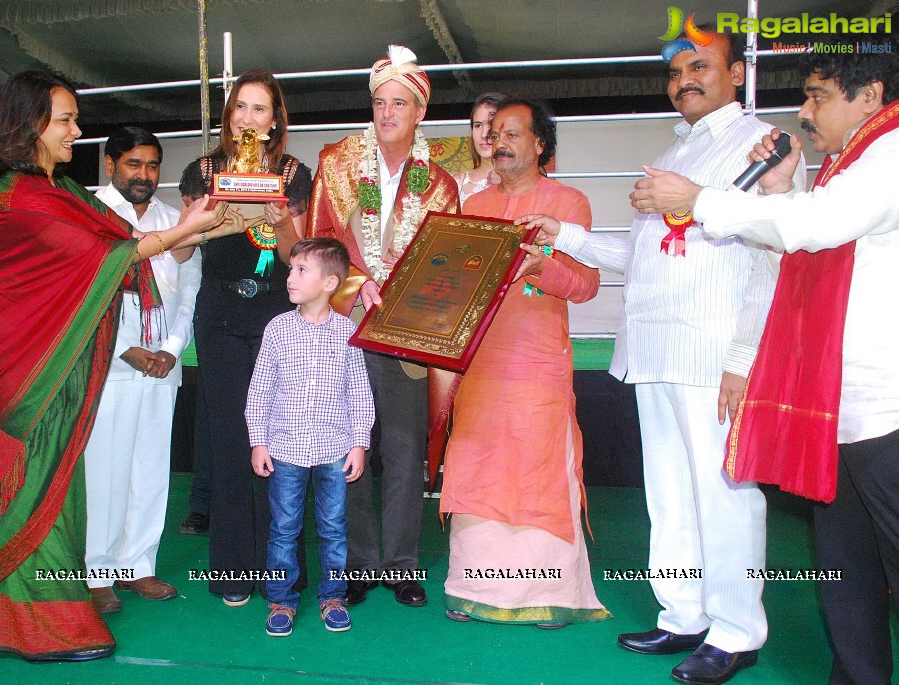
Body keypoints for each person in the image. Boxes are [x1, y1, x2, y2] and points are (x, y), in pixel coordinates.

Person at [523, 27, 806, 685]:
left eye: (700, 66)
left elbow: (772, 255)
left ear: (736, 72)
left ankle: (737, 630)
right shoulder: (672, 152)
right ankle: (681, 612)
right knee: (671, 496)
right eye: (675, 71)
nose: (684, 80)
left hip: (712, 355)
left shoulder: (763, 145)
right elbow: (643, 257)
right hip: (653, 350)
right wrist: (564, 234)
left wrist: (743, 355)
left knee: (725, 494)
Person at [630, 45, 899, 685]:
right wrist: (778, 187)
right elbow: (792, 232)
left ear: (871, 95)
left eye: (818, 96)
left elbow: (807, 230)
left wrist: (702, 200)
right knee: (846, 567)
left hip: (884, 405)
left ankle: (735, 629)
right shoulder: (844, 165)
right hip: (838, 403)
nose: (804, 113)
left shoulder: (889, 157)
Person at [0, 71, 223, 661]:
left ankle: (13, 619)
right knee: (35, 494)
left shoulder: (57, 191)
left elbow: (126, 245)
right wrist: (186, 229)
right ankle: (44, 626)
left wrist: (195, 224)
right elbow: (111, 258)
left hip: (57, 373)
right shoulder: (22, 197)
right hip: (28, 378)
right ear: (32, 126)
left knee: (56, 492)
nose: (76, 129)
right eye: (66, 120)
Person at [440, 96, 609, 628]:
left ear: (540, 145)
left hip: (537, 363)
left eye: (514, 133)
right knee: (477, 469)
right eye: (494, 133)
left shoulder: (569, 203)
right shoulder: (472, 207)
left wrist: (542, 268)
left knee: (537, 472)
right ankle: (472, 589)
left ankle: (550, 594)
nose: (500, 141)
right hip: (480, 364)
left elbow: (586, 284)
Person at [308, 44, 459, 608]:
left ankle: (401, 565)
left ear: (420, 112)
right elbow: (320, 240)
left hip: (407, 335)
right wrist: (354, 283)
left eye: (399, 103)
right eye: (379, 102)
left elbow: (443, 259)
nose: (387, 112)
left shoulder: (439, 182)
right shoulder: (342, 163)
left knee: (401, 449)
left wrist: (404, 293)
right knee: (351, 447)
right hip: (347, 326)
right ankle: (356, 563)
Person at [178, 70, 312, 606]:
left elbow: (296, 259)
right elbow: (182, 251)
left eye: (261, 109)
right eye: (241, 108)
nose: (249, 119)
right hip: (220, 319)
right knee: (231, 440)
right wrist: (199, 219)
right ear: (229, 115)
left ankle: (280, 565)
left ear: (275, 119)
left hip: (278, 318)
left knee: (279, 440)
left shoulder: (294, 174)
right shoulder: (202, 170)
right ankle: (233, 567)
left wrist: (280, 221)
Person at [83, 126, 202, 614]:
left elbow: (189, 291)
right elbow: (83, 298)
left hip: (162, 366)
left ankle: (139, 565)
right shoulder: (88, 215)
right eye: (133, 164)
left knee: (152, 467)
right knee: (105, 468)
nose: (144, 175)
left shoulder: (176, 220)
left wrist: (172, 349)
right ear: (111, 165)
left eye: (153, 165)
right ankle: (99, 571)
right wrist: (126, 349)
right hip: (109, 364)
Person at [246, 237, 376, 637]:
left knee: (334, 528)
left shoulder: (347, 332)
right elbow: (261, 388)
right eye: (291, 269)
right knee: (284, 528)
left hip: (334, 451)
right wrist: (258, 439)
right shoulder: (277, 329)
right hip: (284, 449)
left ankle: (333, 596)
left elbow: (359, 392)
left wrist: (359, 442)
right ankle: (281, 600)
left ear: (330, 283)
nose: (291, 277)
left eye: (302, 270)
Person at [452, 92, 505, 206]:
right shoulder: (456, 184)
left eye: (491, 124)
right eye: (478, 125)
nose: (484, 134)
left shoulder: (524, 185)